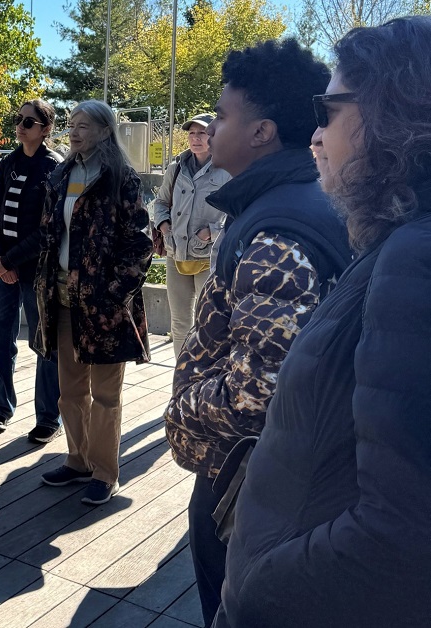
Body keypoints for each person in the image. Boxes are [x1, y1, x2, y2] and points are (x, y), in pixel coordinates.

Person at [216, 17, 431, 627]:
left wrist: (255, 588)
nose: (314, 135)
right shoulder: (399, 242)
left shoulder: (414, 258)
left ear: (391, 111)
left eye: (328, 111)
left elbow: (402, 536)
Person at [162, 39, 352, 627]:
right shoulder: (292, 202)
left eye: (222, 115)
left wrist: (182, 409)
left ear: (262, 131)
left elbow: (258, 392)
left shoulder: (277, 232)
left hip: (247, 480)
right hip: (266, 475)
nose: (211, 127)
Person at [32, 100, 153, 506]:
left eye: (83, 126)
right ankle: (78, 460)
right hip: (63, 298)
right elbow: (50, 232)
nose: (74, 132)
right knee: (70, 391)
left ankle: (104, 472)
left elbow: (140, 244)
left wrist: (115, 294)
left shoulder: (121, 178)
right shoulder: (62, 174)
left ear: (104, 131)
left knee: (105, 395)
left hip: (104, 307)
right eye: (71, 125)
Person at [0, 99, 63, 443]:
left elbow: (50, 227)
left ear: (46, 129)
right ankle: (0, 408)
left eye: (29, 122)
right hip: (3, 268)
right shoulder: (9, 163)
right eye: (19, 119)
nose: (20, 126)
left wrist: (10, 260)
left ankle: (48, 417)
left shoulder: (54, 167)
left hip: (36, 270)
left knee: (43, 344)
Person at [153, 113, 230, 353]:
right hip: (176, 254)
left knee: (208, 322)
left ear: (213, 135)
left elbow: (238, 213)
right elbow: (160, 202)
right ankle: (181, 373)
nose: (196, 138)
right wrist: (164, 227)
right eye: (192, 133)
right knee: (180, 323)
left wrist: (211, 232)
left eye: (202, 133)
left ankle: (204, 372)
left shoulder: (227, 169)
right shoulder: (176, 168)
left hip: (208, 256)